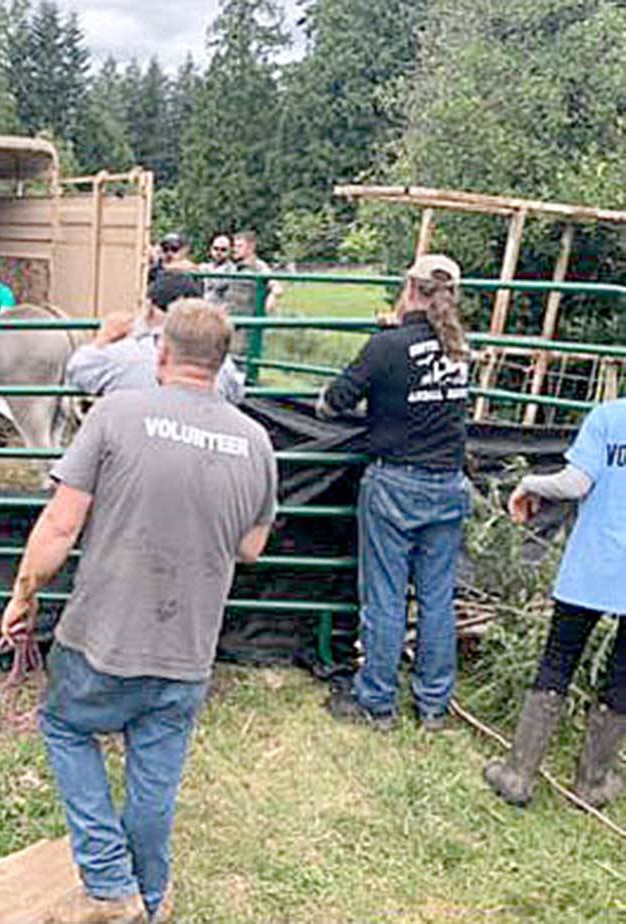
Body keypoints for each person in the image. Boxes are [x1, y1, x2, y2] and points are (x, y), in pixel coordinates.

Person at [0, 301, 278, 924]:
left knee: (65, 726)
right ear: (222, 363)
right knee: (156, 775)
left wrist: (23, 595)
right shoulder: (255, 441)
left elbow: (60, 525)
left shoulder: (116, 414)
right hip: (187, 650)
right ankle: (149, 900)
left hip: (102, 639)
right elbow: (252, 546)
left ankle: (107, 880)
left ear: (162, 353)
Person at [316, 254, 472, 731]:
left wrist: (387, 338)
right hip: (448, 482)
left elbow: (333, 402)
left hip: (396, 483)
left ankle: (377, 701)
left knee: (385, 595)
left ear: (409, 289)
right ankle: (433, 705)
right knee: (437, 598)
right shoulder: (460, 347)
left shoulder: (386, 346)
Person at [483, 399, 626, 808]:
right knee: (623, 674)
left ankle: (517, 775)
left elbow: (576, 483)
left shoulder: (610, 416)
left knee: (558, 661)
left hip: (592, 564)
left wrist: (530, 483)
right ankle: (592, 783)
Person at [65, 272, 246, 404]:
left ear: (148, 308)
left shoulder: (124, 355)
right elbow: (236, 391)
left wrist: (104, 337)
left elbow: (78, 370)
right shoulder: (220, 364)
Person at [225, 230, 281, 317]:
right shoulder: (235, 267)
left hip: (249, 317)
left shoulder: (259, 266)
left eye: (239, 246)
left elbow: (277, 288)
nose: (235, 249)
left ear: (250, 247)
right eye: (234, 246)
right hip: (233, 315)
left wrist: (271, 299)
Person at [197, 234, 235, 306]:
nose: (218, 252)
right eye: (216, 248)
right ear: (210, 249)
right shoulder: (205, 267)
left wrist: (205, 272)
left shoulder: (232, 269)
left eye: (223, 250)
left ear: (230, 251)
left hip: (220, 307)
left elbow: (219, 285)